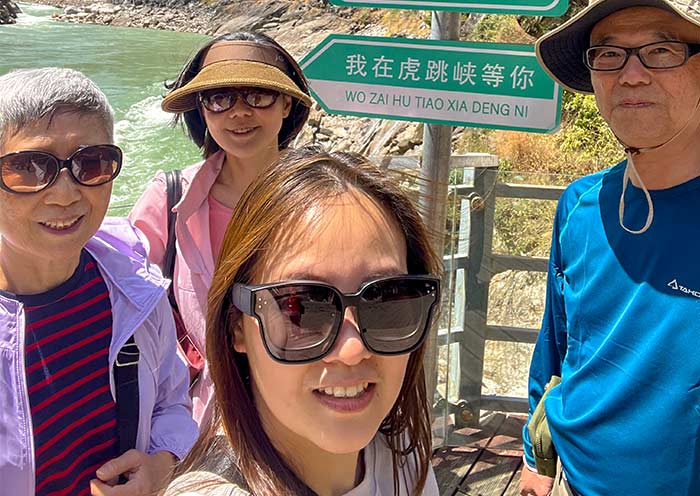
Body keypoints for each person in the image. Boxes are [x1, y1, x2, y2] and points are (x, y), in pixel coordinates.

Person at [164, 147, 442, 496]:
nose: (353, 349)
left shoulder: (402, 455)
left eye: (386, 300)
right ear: (238, 326)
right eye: (302, 309)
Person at [521, 1, 700, 495]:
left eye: (661, 50)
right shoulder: (581, 205)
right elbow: (557, 345)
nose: (632, 75)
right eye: (609, 55)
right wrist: (534, 455)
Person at [0, 67, 198, 496]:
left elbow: (171, 399)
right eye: (31, 167)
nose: (66, 193)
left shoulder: (134, 289)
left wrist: (161, 463)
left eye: (91, 164)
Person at [129, 31, 312, 427]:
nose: (239, 112)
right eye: (220, 98)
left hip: (306, 406)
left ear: (286, 104)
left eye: (258, 95)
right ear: (202, 110)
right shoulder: (169, 200)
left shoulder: (323, 200)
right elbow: (125, 301)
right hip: (197, 417)